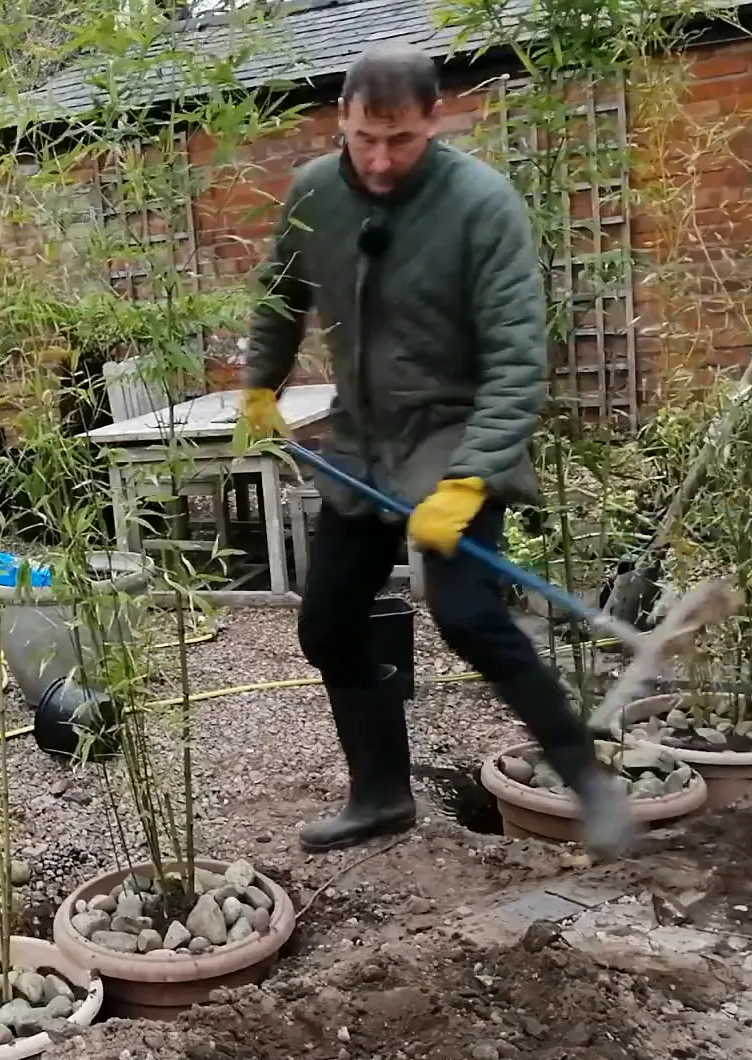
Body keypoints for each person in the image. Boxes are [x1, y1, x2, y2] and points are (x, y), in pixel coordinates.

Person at [237, 43, 635, 859]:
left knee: (467, 615)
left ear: (434, 120)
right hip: (362, 440)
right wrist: (259, 384)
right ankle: (382, 794)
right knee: (328, 626)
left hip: (455, 432)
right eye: (362, 140)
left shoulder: (480, 205)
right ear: (341, 122)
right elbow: (281, 296)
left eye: (401, 142)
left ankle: (588, 780)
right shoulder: (315, 191)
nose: (379, 161)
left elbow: (518, 357)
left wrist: (471, 476)